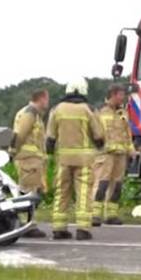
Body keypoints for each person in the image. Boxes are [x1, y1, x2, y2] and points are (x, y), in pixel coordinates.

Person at [46, 78, 105, 240]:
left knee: (61, 192)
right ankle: (83, 228)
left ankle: (59, 227)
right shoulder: (88, 110)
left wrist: (50, 153)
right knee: (84, 192)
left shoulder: (56, 110)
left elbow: (50, 138)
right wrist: (100, 145)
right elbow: (99, 136)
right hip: (84, 160)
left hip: (63, 159)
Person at [9, 89, 50, 238]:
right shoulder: (30, 113)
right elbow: (19, 135)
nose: (48, 102)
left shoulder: (35, 114)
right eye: (47, 98)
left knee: (32, 192)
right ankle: (28, 226)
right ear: (42, 98)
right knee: (29, 193)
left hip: (33, 160)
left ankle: (26, 223)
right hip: (28, 160)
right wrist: (13, 152)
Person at [92, 85, 136, 226]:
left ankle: (111, 214)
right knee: (101, 184)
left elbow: (127, 133)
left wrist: (131, 149)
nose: (122, 98)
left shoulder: (122, 112)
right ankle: (95, 214)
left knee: (116, 185)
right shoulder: (99, 111)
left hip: (120, 154)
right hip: (105, 154)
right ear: (113, 95)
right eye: (120, 95)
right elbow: (94, 132)